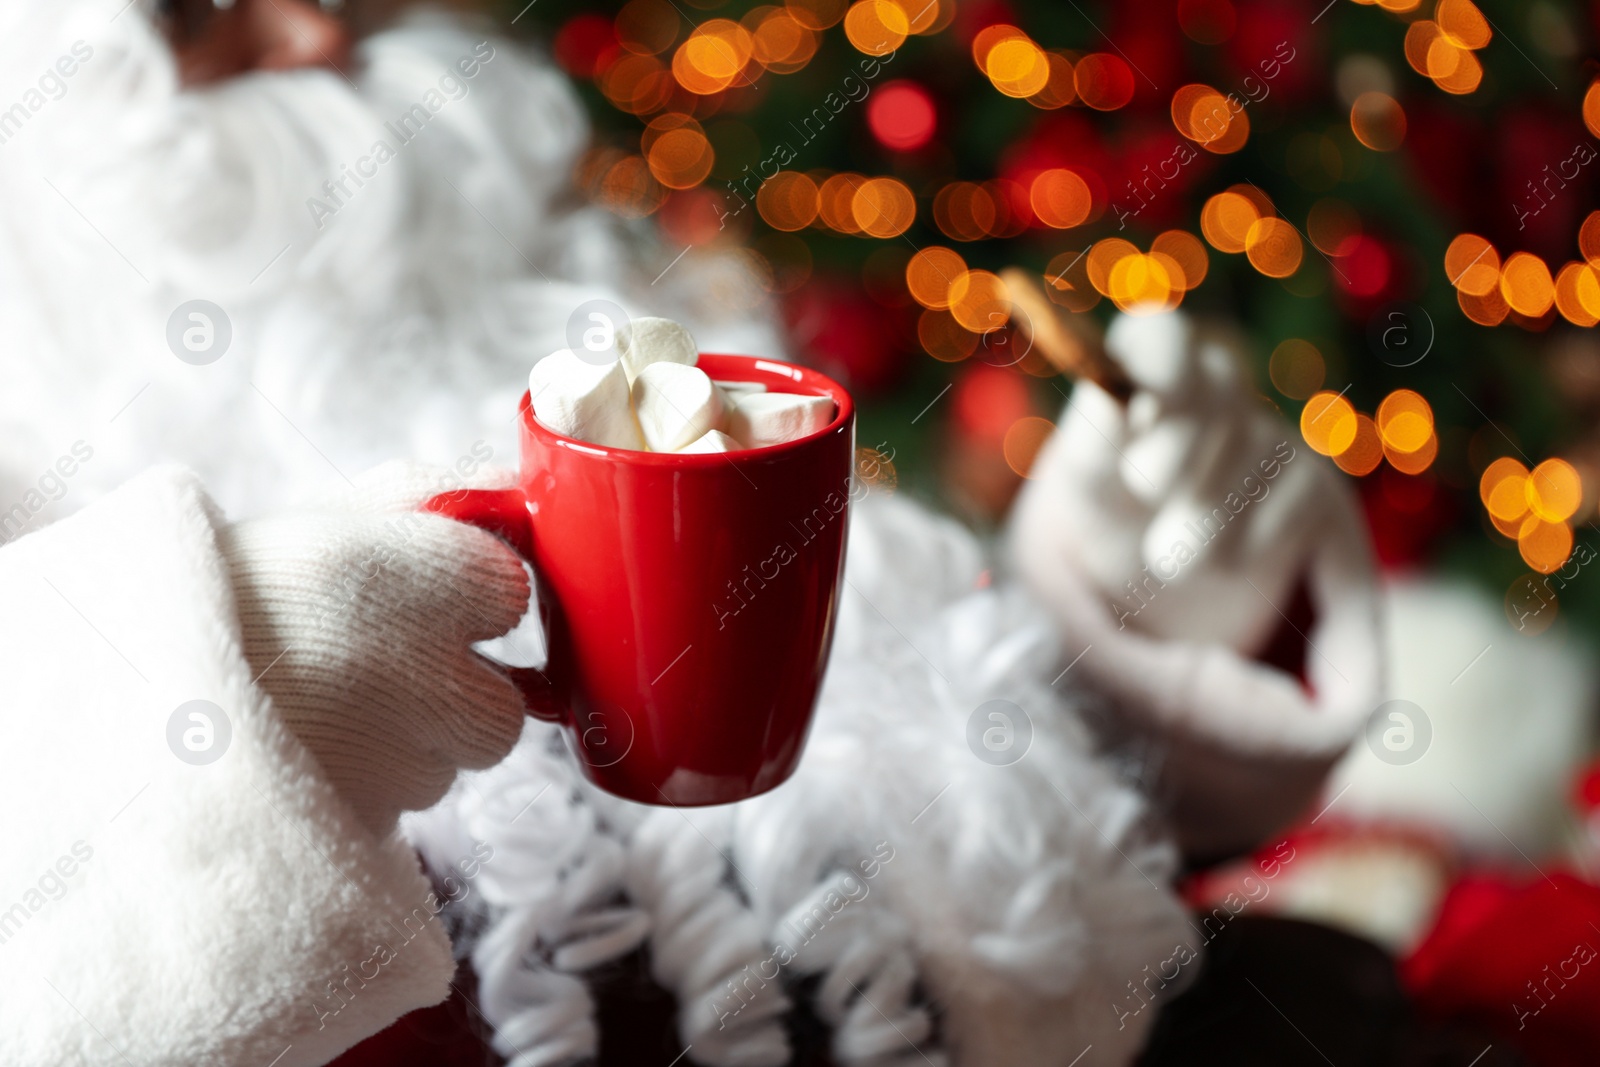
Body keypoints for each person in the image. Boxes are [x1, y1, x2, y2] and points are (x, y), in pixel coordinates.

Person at [0, 2, 1380, 1065]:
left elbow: (1047, 892)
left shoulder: (615, 332)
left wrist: (1141, 610)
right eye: (195, 14)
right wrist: (232, 700)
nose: (319, 40)